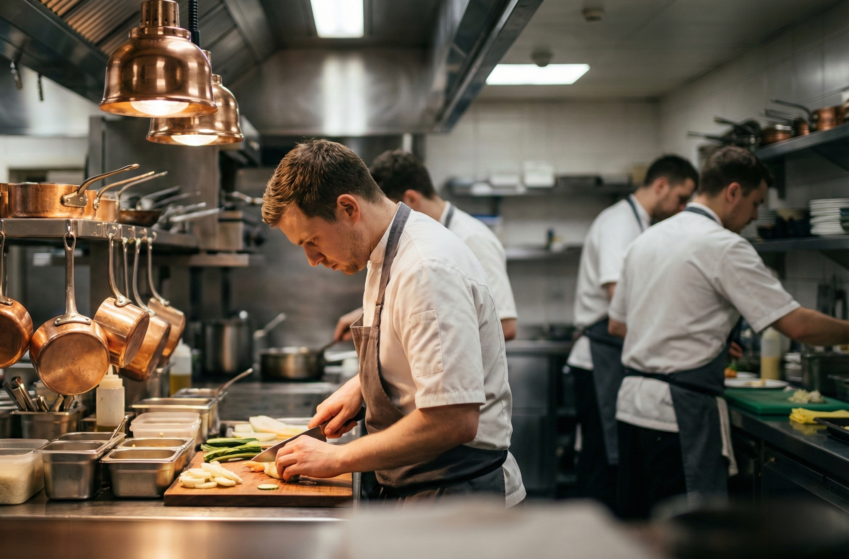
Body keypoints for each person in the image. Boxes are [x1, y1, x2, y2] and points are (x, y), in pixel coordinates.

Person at [261, 140, 525, 505]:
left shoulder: (425, 268)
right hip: (424, 485)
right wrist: (360, 387)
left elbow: (453, 419)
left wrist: (337, 458)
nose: (312, 259)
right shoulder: (386, 252)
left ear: (348, 208)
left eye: (313, 241)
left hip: (456, 495)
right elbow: (411, 350)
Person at [607, 146, 849, 519]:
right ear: (733, 191)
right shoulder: (725, 246)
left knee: (640, 535)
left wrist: (696, 337)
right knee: (687, 537)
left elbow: (618, 324)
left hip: (631, 408)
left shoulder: (648, 238)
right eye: (755, 203)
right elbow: (796, 324)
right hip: (678, 416)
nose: (755, 216)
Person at [565, 155, 698, 512]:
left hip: (612, 352)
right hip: (599, 356)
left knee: (609, 459)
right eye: (681, 198)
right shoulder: (618, 224)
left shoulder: (638, 223)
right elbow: (617, 296)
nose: (683, 207)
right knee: (600, 459)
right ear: (660, 186)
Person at [333, 150, 518, 342]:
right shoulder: (421, 241)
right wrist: (367, 315)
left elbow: (505, 327)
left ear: (411, 199)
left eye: (390, 211)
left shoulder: (471, 238)